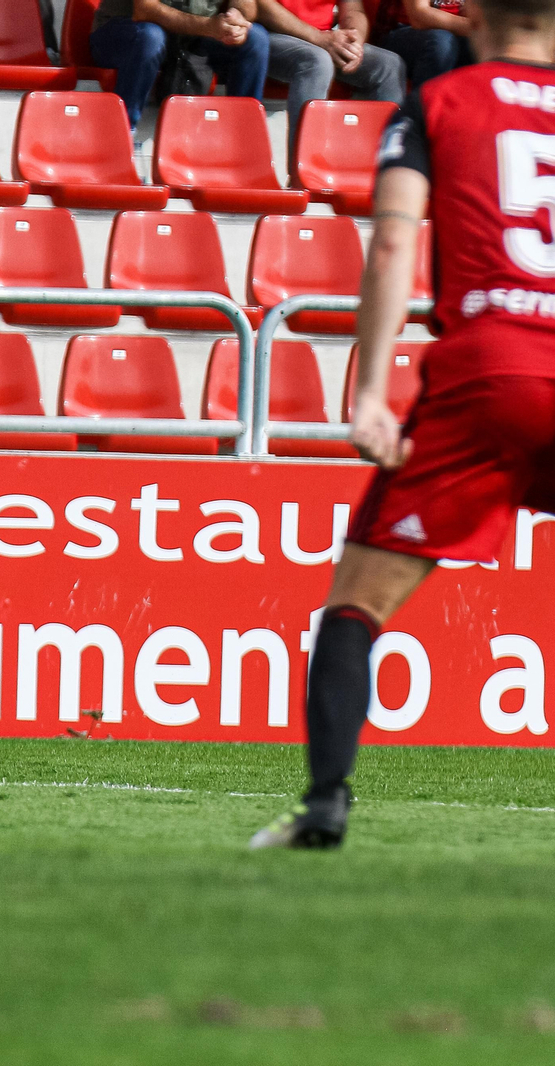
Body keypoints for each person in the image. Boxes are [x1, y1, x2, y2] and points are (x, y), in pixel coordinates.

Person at [251, 0, 555, 848]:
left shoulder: (446, 99)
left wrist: (370, 392)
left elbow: (391, 245)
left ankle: (325, 806)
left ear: (479, 12)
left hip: (488, 373)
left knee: (357, 605)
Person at [91, 0, 271, 129]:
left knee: (255, 38)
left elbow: (247, 4)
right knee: (151, 37)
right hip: (125, 31)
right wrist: (209, 27)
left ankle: (244, 136)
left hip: (195, 33)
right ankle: (122, 132)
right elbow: (145, 10)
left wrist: (236, 18)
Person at [257, 0, 405, 148]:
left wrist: (354, 41)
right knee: (316, 61)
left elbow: (354, 10)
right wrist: (317, 37)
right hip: (271, 33)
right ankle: (307, 164)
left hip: (322, 39)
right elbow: (260, 4)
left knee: (389, 64)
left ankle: (388, 162)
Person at [373, 0, 475, 86]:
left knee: (479, 48)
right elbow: (419, 16)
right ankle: (422, 107)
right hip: (403, 32)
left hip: (455, 33)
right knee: (441, 43)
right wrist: (477, 28)